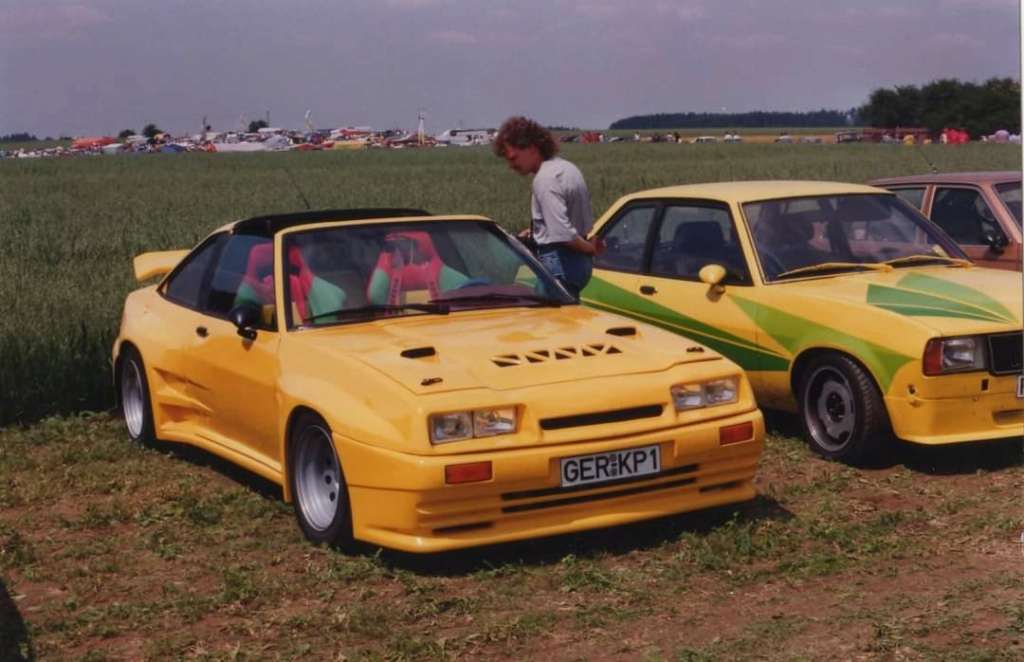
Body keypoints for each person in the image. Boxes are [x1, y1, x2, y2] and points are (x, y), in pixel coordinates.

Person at [492, 116, 602, 299]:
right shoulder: (567, 168)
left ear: (532, 149)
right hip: (578, 263)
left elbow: (563, 234)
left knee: (548, 320)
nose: (510, 165)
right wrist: (538, 230)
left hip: (560, 264)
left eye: (513, 158)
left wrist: (591, 249)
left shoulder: (545, 180)